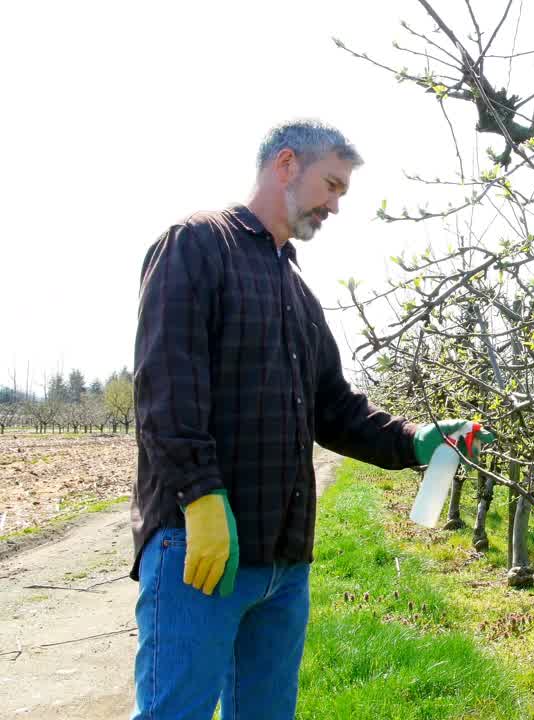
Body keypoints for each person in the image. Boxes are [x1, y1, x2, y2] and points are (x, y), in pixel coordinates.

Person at [130, 119, 492, 719]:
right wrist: (199, 496)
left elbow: (335, 408)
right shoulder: (196, 245)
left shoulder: (296, 288)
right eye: (332, 185)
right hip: (202, 547)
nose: (336, 205)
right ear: (287, 164)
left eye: (342, 192)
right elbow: (166, 384)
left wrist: (415, 440)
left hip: (283, 564)